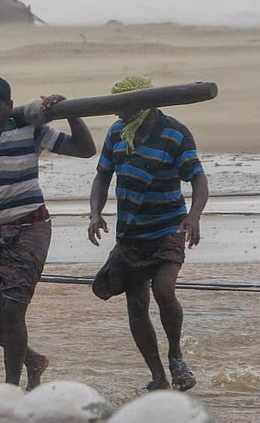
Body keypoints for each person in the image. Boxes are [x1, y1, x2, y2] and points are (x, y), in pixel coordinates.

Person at [0, 75, 96, 389]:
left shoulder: (30, 129)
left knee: (13, 308)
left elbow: (84, 149)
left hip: (30, 226)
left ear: (9, 106)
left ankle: (11, 387)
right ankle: (33, 360)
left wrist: (70, 111)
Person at [87, 76, 209, 392]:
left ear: (142, 103)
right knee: (136, 305)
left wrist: (194, 216)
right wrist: (95, 214)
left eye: (121, 106)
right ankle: (158, 375)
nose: (116, 113)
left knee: (165, 290)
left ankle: (176, 357)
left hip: (168, 227)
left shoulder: (175, 133)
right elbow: (101, 177)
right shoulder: (116, 134)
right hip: (130, 233)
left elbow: (197, 179)